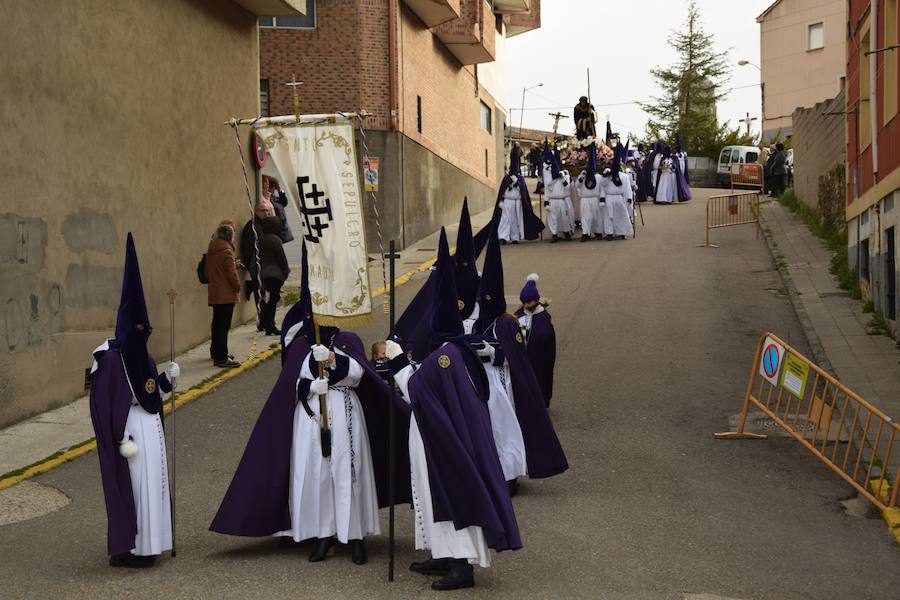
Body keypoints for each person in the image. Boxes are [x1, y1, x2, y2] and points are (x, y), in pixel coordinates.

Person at [210, 241, 411, 566]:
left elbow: (359, 374)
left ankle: (355, 536)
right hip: (311, 420)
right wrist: (309, 385)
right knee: (317, 476)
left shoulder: (348, 340)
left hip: (344, 417)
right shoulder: (302, 344)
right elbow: (291, 386)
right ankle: (324, 536)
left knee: (349, 474)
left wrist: (332, 360)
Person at [384, 228, 521, 591]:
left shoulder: (445, 357)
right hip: (433, 434)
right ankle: (441, 553)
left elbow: (419, 393)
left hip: (442, 440)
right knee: (430, 496)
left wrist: (398, 366)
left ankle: (461, 565)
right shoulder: (452, 352)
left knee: (447, 495)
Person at [89, 233, 179, 568]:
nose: (143, 333)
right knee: (138, 488)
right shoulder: (111, 359)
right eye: (137, 328)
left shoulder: (144, 357)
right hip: (132, 435)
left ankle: (155, 543)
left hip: (151, 429)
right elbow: (106, 401)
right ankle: (134, 547)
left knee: (154, 484)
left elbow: (152, 391)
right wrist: (119, 437)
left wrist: (168, 379)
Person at [474, 230, 569, 495]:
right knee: (491, 433)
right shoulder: (485, 321)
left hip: (507, 386)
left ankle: (510, 476)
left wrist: (491, 353)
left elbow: (514, 355)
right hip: (488, 386)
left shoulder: (506, 323)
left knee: (508, 432)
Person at [515, 274, 556, 407]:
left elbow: (548, 339)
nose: (526, 305)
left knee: (541, 380)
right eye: (524, 303)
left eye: (529, 302)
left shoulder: (543, 317)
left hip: (541, 358)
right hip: (525, 357)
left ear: (536, 300)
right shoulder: (519, 315)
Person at [206, 222, 241, 368]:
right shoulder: (227, 252)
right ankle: (221, 357)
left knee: (217, 324)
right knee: (223, 326)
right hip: (226, 294)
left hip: (215, 292)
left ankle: (216, 352)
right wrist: (238, 286)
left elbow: (210, 272)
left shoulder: (212, 250)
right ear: (229, 236)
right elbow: (231, 275)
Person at [497, 144, 545, 245]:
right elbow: (502, 190)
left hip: (517, 202)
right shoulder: (506, 178)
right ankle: (502, 236)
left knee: (515, 220)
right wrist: (502, 199)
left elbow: (523, 192)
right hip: (507, 201)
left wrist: (517, 184)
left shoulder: (521, 179)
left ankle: (515, 237)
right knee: (505, 219)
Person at [257, 216, 290, 336]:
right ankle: (270, 325)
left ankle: (264, 323)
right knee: (273, 300)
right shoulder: (275, 240)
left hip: (263, 274)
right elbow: (282, 258)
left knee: (269, 299)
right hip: (275, 275)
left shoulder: (260, 239)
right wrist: (286, 272)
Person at [240, 199, 276, 308]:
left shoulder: (266, 224)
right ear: (256, 211)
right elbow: (248, 246)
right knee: (260, 289)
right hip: (255, 261)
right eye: (264, 210)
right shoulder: (252, 226)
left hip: (266, 262)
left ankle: (251, 286)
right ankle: (262, 316)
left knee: (266, 287)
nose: (267, 213)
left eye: (268, 210)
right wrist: (250, 263)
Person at [541, 141, 574, 243]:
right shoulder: (548, 178)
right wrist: (546, 201)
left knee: (565, 217)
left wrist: (563, 177)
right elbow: (547, 188)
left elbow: (567, 187)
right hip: (552, 200)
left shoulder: (565, 175)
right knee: (553, 218)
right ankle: (554, 234)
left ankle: (567, 232)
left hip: (562, 200)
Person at [601, 146, 635, 240]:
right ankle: (609, 233)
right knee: (609, 216)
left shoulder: (624, 176)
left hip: (619, 198)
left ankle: (622, 232)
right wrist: (606, 176)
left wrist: (628, 198)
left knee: (621, 215)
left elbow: (627, 188)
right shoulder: (607, 176)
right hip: (609, 197)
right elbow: (603, 185)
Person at [575, 142, 604, 241]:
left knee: (597, 217)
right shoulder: (582, 176)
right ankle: (585, 233)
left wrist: (602, 199)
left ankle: (598, 232)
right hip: (585, 199)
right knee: (585, 217)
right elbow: (577, 186)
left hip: (595, 198)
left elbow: (602, 189)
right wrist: (581, 178)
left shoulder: (599, 177)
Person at [266, 177, 295, 244]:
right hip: (276, 231)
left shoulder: (273, 198)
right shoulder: (268, 199)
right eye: (274, 187)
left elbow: (284, 202)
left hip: (281, 231)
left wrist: (279, 190)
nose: (275, 189)